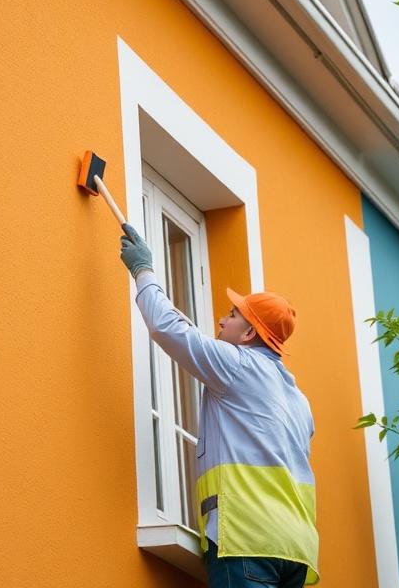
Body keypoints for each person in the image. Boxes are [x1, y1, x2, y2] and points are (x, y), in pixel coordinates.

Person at [119, 224, 319, 587]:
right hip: (296, 549)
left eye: (232, 315)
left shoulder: (236, 365)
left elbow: (168, 328)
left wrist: (143, 271)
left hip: (247, 540)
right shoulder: (298, 399)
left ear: (248, 335)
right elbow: (191, 333)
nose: (222, 320)